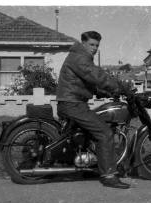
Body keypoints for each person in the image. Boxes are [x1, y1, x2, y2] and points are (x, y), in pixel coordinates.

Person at [56, 31, 130, 189]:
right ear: (83, 43)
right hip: (72, 104)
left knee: (96, 129)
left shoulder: (80, 56)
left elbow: (91, 84)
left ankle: (91, 163)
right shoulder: (79, 57)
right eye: (92, 44)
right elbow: (96, 75)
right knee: (105, 133)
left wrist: (111, 92)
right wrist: (120, 86)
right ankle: (109, 175)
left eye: (97, 45)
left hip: (74, 102)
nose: (95, 48)